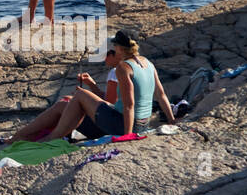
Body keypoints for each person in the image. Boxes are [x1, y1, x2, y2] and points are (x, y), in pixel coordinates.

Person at [35, 29, 176, 141]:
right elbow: (161, 94)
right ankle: (51, 136)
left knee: (79, 95)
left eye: (115, 45)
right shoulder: (148, 63)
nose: (114, 48)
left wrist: (127, 136)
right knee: (75, 100)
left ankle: (51, 138)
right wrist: (172, 120)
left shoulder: (124, 67)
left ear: (119, 48)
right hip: (144, 124)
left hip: (125, 125)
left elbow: (129, 105)